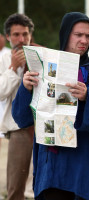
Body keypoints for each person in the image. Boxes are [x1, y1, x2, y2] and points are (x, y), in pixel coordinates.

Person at [11, 12, 89, 200]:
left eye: (88, 36)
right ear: (66, 34)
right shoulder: (43, 67)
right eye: (78, 35)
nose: (83, 40)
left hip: (87, 163)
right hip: (53, 167)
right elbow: (21, 118)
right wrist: (25, 88)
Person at [0, 13, 36, 200]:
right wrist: (14, 68)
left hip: (45, 125)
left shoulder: (41, 55)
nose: (21, 39)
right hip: (19, 127)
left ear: (30, 35)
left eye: (25, 34)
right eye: (16, 35)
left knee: (47, 181)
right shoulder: (3, 60)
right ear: (7, 37)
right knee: (16, 186)